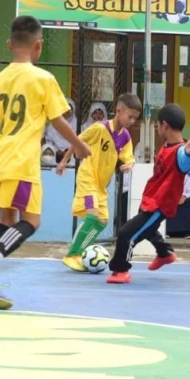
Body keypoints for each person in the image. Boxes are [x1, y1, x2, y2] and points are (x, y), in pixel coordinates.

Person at [0, 16, 90, 310]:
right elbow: (58, 120)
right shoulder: (43, 79)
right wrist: (80, 145)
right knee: (31, 221)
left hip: (0, 158)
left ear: (10, 45)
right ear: (39, 46)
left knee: (6, 220)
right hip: (22, 162)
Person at [107, 103, 190, 285]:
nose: (157, 128)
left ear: (165, 125)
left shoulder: (180, 151)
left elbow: (185, 160)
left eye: (157, 125)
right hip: (152, 199)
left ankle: (120, 269)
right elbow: (188, 166)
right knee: (146, 227)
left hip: (160, 205)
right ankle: (164, 252)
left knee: (127, 234)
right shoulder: (167, 146)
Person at [57, 93, 141, 271]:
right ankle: (73, 254)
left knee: (102, 221)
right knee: (93, 214)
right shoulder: (100, 128)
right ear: (119, 111)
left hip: (101, 186)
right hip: (87, 178)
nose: (132, 121)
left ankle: (82, 251)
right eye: (130, 116)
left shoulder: (125, 137)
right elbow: (77, 140)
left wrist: (129, 165)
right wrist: (64, 161)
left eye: (135, 118)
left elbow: (129, 158)